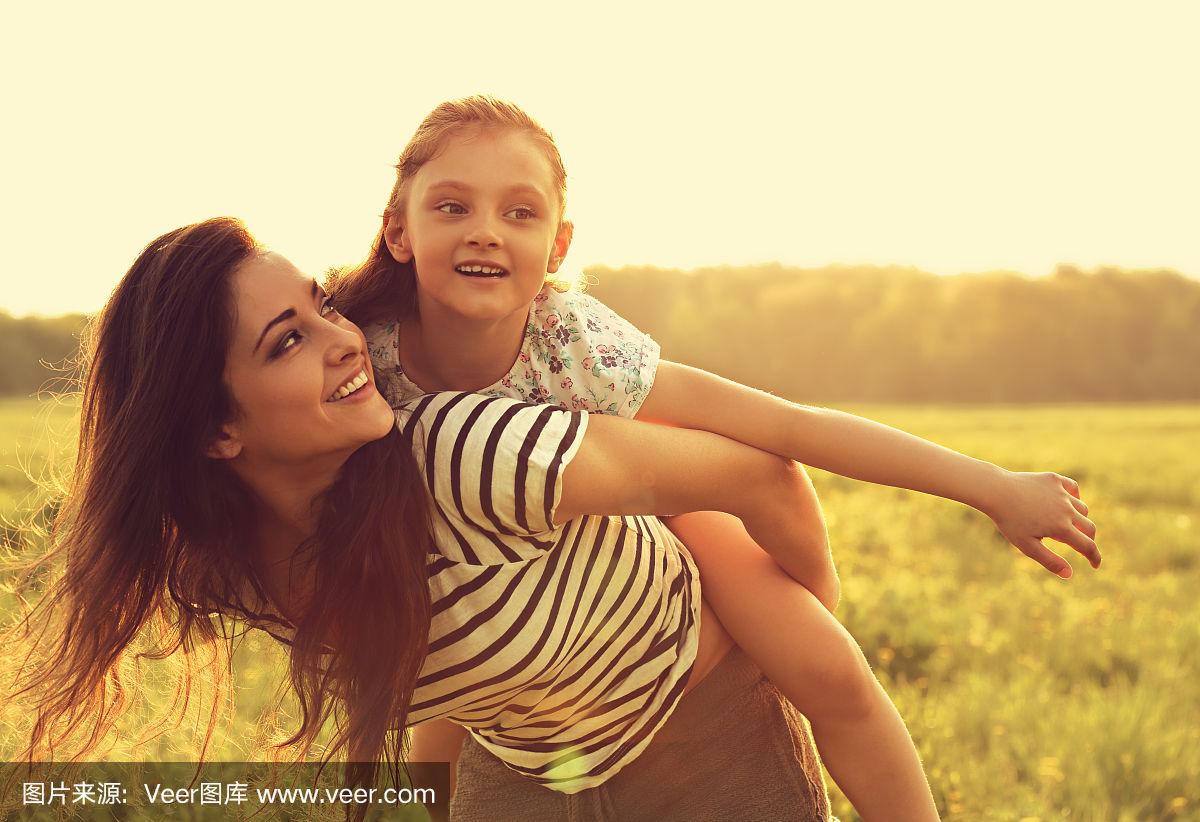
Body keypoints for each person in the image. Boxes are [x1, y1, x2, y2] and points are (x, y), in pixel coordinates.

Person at [329, 95, 1102, 821]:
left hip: (642, 513)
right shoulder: (358, 351)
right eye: (452, 207)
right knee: (438, 725)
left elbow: (785, 428)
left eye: (520, 212)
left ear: (558, 244)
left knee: (827, 670)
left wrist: (991, 487)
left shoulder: (575, 348)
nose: (485, 231)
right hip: (482, 585)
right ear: (399, 231)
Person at [3, 218, 844, 822]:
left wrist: (805, 647)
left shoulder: (460, 452)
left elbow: (758, 475)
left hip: (707, 740)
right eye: (286, 342)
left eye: (322, 305)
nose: (343, 340)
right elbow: (440, 640)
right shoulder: (225, 564)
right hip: (527, 768)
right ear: (216, 431)